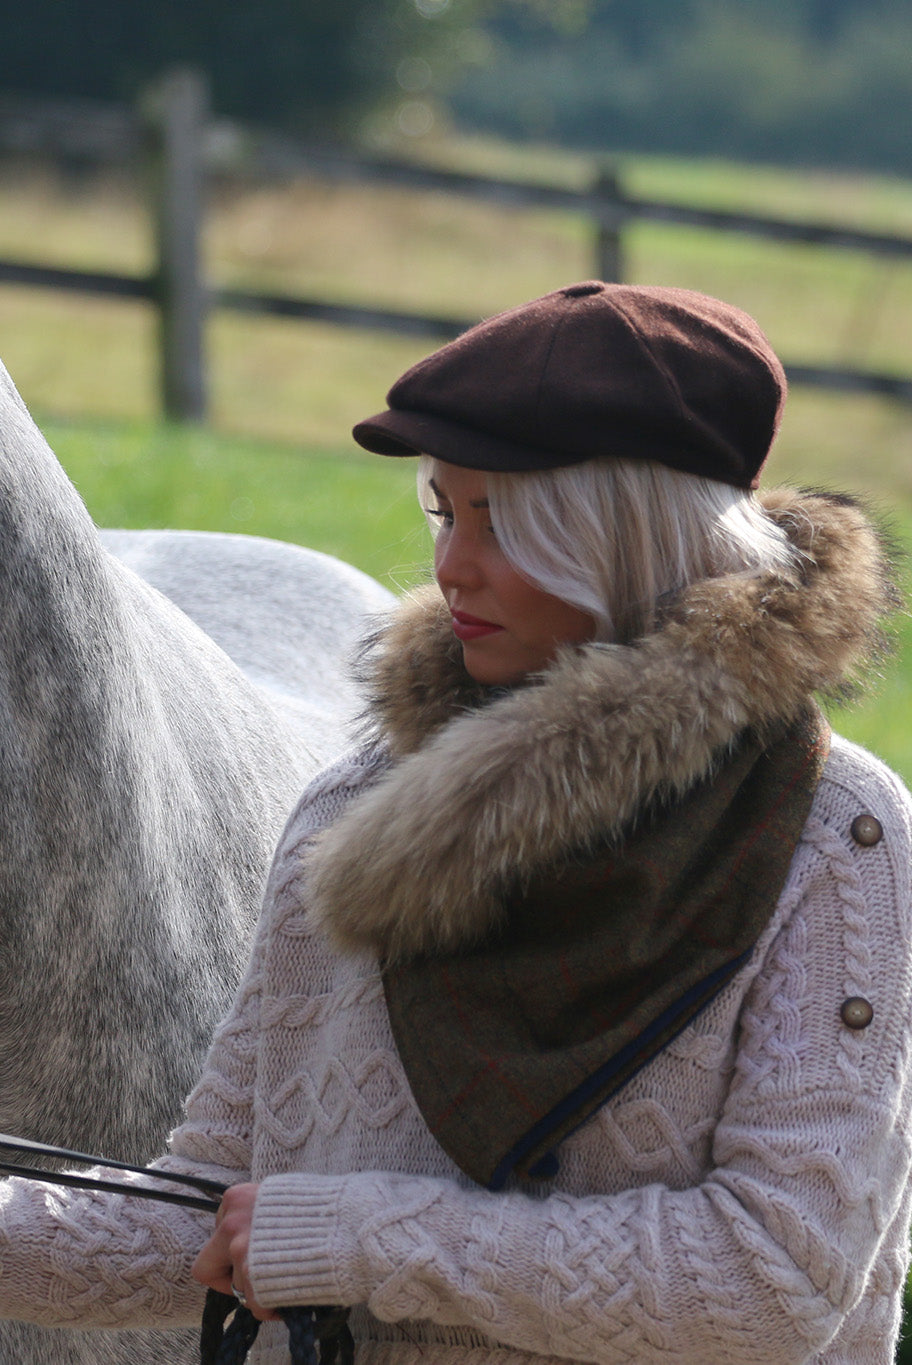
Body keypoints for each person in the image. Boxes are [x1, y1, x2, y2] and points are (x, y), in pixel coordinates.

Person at [0, 280, 911, 1365]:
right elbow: (205, 1216)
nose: (451, 564)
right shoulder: (352, 813)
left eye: (503, 519)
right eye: (444, 508)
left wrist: (354, 1237)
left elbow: (773, 1279)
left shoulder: (835, 836)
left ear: (627, 533)